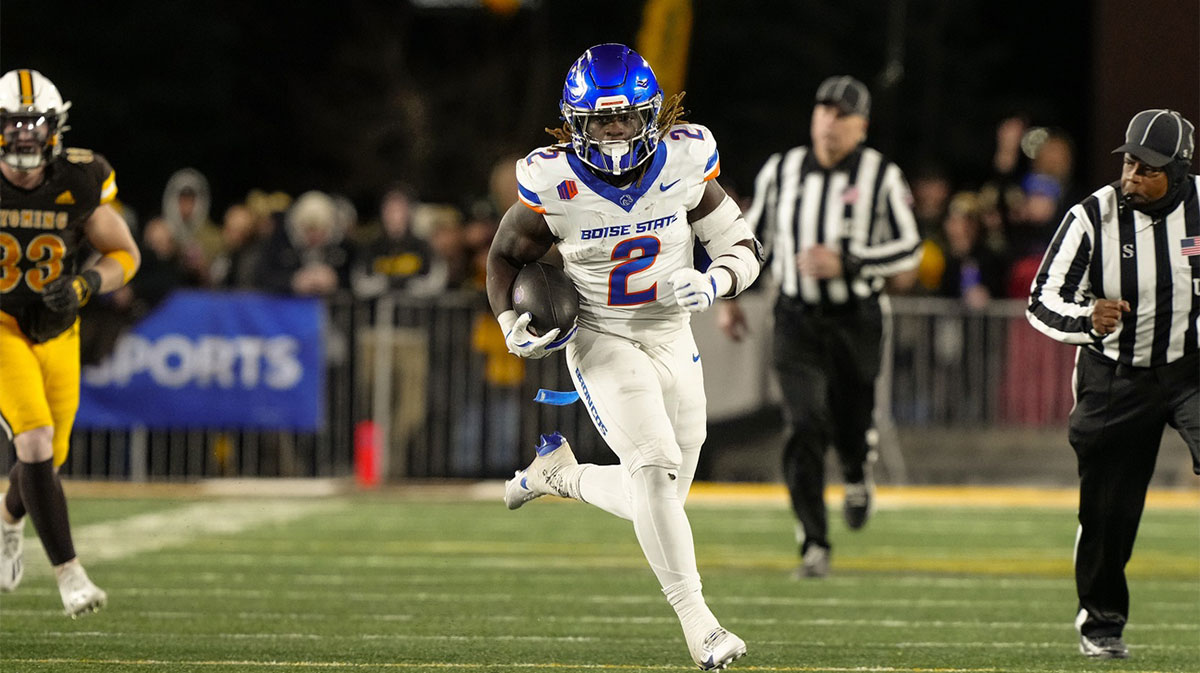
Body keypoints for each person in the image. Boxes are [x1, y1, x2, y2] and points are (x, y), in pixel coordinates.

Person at [485, 44, 761, 670]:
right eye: (601, 121)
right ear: (574, 124)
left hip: (674, 335)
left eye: (626, 118)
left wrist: (717, 280)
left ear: (652, 117)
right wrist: (508, 320)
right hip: (601, 336)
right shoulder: (554, 182)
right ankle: (702, 627)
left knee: (664, 493)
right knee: (654, 466)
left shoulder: (686, 161)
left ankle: (564, 475)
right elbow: (505, 256)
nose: (614, 133)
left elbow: (742, 243)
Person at [717, 76, 921, 578]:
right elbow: (750, 234)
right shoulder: (781, 171)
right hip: (796, 318)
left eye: (841, 114)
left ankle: (855, 473)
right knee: (804, 423)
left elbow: (909, 247)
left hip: (856, 318)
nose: (829, 121)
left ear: (861, 127)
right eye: (823, 110)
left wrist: (849, 261)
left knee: (851, 420)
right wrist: (731, 293)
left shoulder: (881, 176)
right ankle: (813, 541)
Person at [1026, 109, 1199, 660]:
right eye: (1128, 162)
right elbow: (1042, 298)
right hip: (1115, 375)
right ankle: (1101, 622)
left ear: (1179, 171)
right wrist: (1085, 320)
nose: (1131, 176)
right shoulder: (1091, 216)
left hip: (1192, 368)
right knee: (1107, 510)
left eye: (1147, 168)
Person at [0, 69, 141, 616]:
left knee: (47, 459)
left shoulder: (81, 178)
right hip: (3, 324)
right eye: (14, 123)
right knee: (33, 441)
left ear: (56, 127)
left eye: (35, 123)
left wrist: (86, 284)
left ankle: (10, 518)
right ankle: (70, 575)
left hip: (58, 327)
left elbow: (125, 253)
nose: (25, 134)